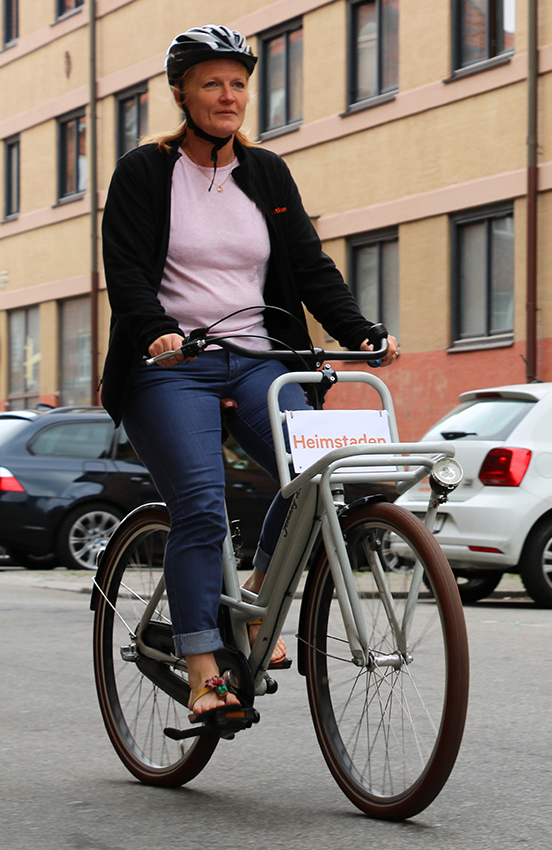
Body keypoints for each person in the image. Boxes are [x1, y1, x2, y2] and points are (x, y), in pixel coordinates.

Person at [100, 24, 399, 721]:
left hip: (263, 359)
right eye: (211, 82)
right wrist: (158, 333)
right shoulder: (145, 171)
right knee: (202, 506)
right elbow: (126, 273)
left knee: (322, 476)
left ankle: (259, 603)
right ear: (182, 93)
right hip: (172, 367)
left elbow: (311, 268)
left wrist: (358, 328)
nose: (227, 95)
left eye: (237, 83)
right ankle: (204, 664)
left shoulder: (266, 174)